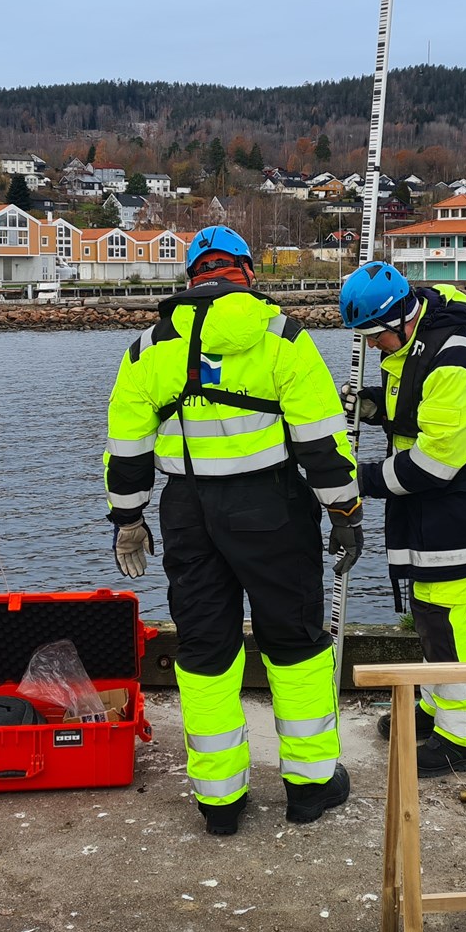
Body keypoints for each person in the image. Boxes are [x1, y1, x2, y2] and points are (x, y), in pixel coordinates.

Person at [103, 225, 363, 835]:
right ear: (247, 272)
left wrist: (128, 517)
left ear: (192, 276)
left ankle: (219, 801)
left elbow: (126, 444)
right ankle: (310, 784)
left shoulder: (149, 347)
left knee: (204, 646)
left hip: (187, 510)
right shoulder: (281, 337)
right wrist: (345, 511)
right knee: (296, 640)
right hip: (271, 504)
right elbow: (322, 438)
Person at [338, 260, 466, 776]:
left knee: (442, 616)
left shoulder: (454, 361)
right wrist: (372, 406)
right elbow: (412, 413)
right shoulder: (416, 346)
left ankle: (459, 740)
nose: (372, 347)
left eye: (376, 337)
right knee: (427, 611)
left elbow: (435, 464)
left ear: (402, 319)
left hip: (462, 506)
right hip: (432, 507)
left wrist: (359, 479)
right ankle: (436, 707)